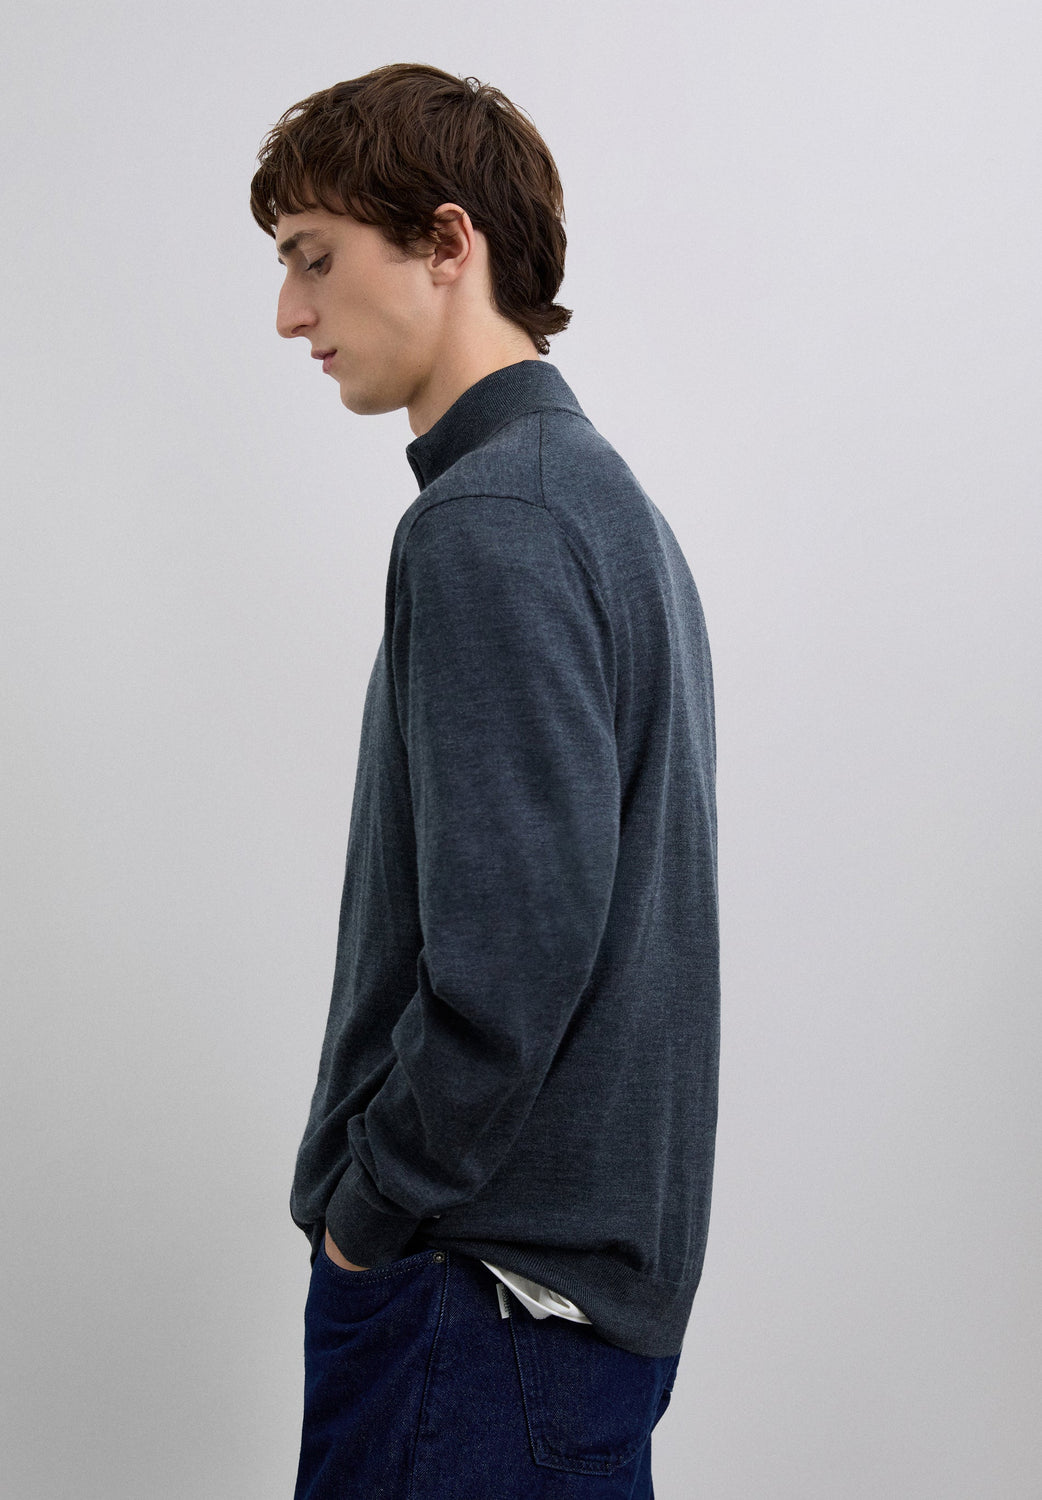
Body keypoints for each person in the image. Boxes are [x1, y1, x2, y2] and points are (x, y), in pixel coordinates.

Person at [250, 61, 720, 1500]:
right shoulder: (599, 503)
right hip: (553, 1322)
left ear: (447, 243)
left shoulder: (493, 520)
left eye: (314, 259)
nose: (290, 315)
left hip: (474, 1308)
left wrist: (366, 1220)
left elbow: (509, 967)